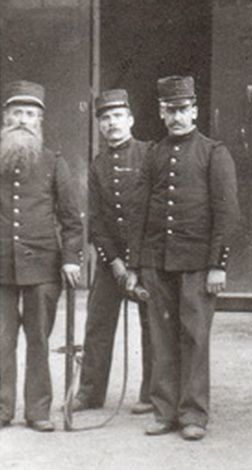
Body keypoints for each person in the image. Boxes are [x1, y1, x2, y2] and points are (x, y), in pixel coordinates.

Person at [125, 76, 239, 441]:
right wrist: (134, 265)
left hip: (197, 264)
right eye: (169, 110)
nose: (176, 117)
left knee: (194, 338)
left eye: (182, 110)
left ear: (195, 111)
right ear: (161, 113)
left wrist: (218, 264)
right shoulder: (154, 154)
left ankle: (193, 414)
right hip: (157, 262)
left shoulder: (214, 153)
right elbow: (139, 210)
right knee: (161, 338)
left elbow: (226, 212)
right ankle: (165, 413)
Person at [0, 80, 84, 432]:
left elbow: (71, 219)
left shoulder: (53, 162)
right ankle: (2, 409)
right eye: (17, 112)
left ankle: (38, 411)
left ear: (40, 121)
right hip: (0, 266)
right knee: (1, 340)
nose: (23, 120)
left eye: (30, 114)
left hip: (43, 266)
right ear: (5, 117)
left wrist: (71, 258)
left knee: (38, 339)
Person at [70, 89, 154, 415]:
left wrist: (136, 263)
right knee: (98, 325)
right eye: (105, 118)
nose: (111, 123)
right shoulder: (98, 166)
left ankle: (152, 394)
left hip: (146, 259)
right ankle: (90, 393)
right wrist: (116, 262)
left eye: (118, 116)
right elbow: (96, 220)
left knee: (153, 327)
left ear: (130, 120)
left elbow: (154, 212)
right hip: (112, 262)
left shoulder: (149, 154)